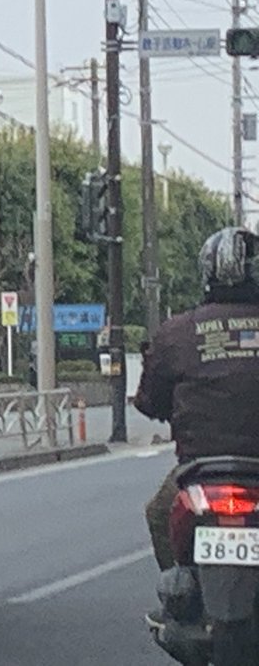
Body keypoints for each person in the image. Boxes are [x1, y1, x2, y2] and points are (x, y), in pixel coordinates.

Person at [135, 227, 259, 572]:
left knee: (160, 514)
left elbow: (148, 401)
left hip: (201, 470)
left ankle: (179, 590)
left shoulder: (177, 332)